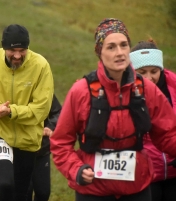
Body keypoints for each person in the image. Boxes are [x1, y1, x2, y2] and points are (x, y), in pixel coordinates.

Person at [50, 18, 176, 201]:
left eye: (124, 45)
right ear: (99, 52)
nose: (119, 53)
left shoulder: (146, 90)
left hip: (137, 188)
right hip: (93, 191)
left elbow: (167, 134)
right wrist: (76, 169)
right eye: (111, 47)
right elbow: (60, 142)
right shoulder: (81, 91)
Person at [0, 24, 54, 201]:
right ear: (4, 47)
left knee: (22, 192)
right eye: (12, 50)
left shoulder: (41, 66)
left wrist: (11, 111)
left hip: (28, 138)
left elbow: (42, 108)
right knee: (6, 183)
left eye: (22, 50)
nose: (17, 55)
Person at [130, 39, 176, 201]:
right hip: (145, 175)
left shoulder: (174, 86)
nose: (149, 78)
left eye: (154, 71)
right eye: (142, 72)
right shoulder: (126, 92)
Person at [27, 94, 61, 201]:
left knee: (43, 192)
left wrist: (50, 126)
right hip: (18, 150)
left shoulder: (44, 90)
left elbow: (58, 112)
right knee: (24, 193)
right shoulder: (11, 89)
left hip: (41, 149)